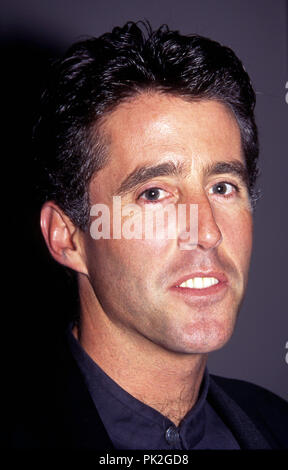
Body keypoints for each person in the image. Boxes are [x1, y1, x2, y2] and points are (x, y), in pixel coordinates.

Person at [9, 21, 288, 449]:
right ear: (68, 238)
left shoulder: (277, 423)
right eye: (154, 193)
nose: (209, 232)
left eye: (222, 187)